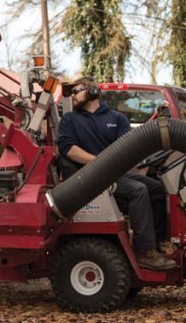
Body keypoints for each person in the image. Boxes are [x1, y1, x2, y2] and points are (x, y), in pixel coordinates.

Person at [56, 79, 176, 271]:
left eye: (76, 91)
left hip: (114, 175)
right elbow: (68, 149)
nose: (72, 96)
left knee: (156, 189)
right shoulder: (70, 120)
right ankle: (144, 252)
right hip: (87, 179)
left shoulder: (118, 119)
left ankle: (158, 242)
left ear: (93, 91)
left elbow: (126, 150)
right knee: (138, 190)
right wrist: (99, 163)